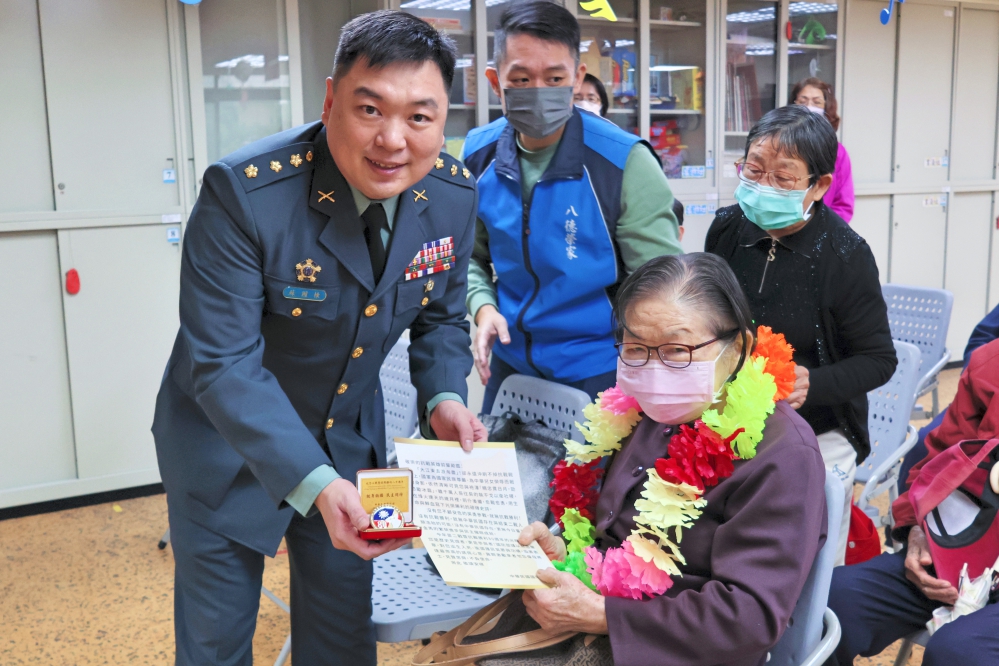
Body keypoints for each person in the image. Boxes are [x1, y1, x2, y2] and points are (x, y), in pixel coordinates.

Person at [152, 11, 486, 665]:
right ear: (331, 100)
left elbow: (441, 318)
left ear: (445, 118)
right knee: (217, 642)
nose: (393, 140)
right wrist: (310, 482)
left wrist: (444, 395)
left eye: (420, 116)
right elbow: (221, 364)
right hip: (224, 446)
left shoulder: (450, 194)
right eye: (370, 109)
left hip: (347, 438)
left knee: (341, 638)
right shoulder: (245, 195)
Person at [517, 253, 827, 665]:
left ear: (739, 349)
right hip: (597, 617)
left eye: (677, 350)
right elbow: (613, 537)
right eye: (635, 349)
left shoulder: (783, 454)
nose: (654, 370)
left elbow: (747, 619)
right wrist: (566, 554)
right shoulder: (644, 414)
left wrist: (603, 616)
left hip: (678, 649)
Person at [463, 1, 682, 413]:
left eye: (555, 77)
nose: (540, 91)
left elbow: (662, 284)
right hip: (512, 366)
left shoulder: (622, 163)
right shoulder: (478, 154)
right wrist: (483, 306)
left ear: (578, 77)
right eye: (522, 78)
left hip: (600, 370)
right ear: (496, 82)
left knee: (594, 479)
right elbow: (467, 256)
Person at [706, 104, 897, 564]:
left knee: (801, 560)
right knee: (721, 542)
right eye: (754, 170)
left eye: (783, 178)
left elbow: (878, 359)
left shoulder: (845, 255)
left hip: (819, 427)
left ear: (819, 185)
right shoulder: (727, 227)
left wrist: (813, 382)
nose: (762, 187)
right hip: (732, 415)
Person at [828, 338, 999, 666]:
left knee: (958, 653)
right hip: (961, 553)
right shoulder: (990, 364)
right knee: (834, 601)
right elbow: (935, 461)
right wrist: (917, 532)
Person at [790, 77, 854, 222]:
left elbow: (844, 205)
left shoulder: (838, 152)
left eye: (817, 102)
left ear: (827, 108)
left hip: (821, 232)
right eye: (802, 101)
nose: (809, 106)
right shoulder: (778, 144)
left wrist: (822, 231)